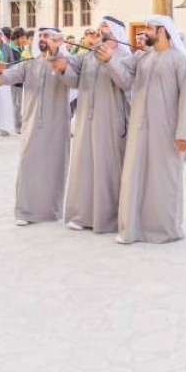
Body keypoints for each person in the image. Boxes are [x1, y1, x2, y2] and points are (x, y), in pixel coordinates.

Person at [96, 15, 186, 244]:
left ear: (162, 31)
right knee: (135, 176)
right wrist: (109, 60)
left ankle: (165, 230)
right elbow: (124, 81)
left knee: (163, 179)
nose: (144, 32)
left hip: (166, 130)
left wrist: (182, 133)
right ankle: (134, 228)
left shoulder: (180, 60)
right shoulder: (142, 57)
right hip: (139, 128)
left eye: (149, 28)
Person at [0, 28, 74, 224]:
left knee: (54, 167)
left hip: (57, 124)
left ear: (56, 40)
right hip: (32, 123)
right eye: (40, 36)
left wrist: (60, 63)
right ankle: (25, 212)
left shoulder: (66, 61)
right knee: (28, 163)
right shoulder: (30, 64)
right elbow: (7, 77)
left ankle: (51, 211)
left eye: (46, 36)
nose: (42, 39)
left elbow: (74, 81)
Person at [61, 15, 130, 232]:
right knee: (84, 166)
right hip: (85, 120)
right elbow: (74, 81)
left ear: (116, 33)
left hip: (110, 121)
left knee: (107, 168)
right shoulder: (87, 55)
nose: (99, 30)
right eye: (99, 27)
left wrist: (109, 61)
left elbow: (126, 82)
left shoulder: (125, 56)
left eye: (104, 27)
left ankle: (108, 219)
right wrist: (62, 67)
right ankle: (82, 216)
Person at [0, 27, 17, 137]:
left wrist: (6, 72)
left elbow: (12, 63)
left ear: (0, 35)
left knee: (5, 104)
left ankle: (4, 128)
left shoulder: (6, 47)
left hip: (4, 79)